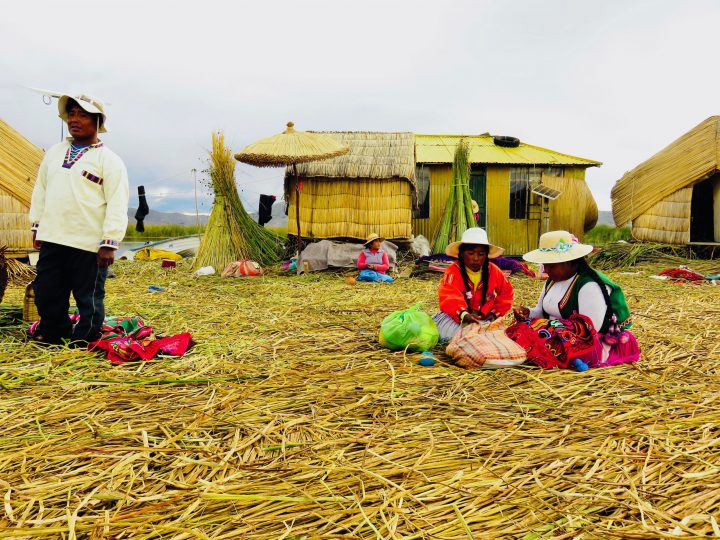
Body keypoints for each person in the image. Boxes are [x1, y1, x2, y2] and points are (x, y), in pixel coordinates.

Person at [28, 94, 129, 345]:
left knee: (89, 296)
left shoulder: (110, 161)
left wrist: (109, 242)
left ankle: (83, 338)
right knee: (47, 291)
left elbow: (117, 202)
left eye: (82, 115)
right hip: (53, 237)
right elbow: (40, 190)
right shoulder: (54, 152)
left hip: (89, 243)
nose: (74, 120)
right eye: (71, 114)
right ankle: (53, 333)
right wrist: (37, 225)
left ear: (97, 121)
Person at [511, 230, 640, 369]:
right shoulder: (552, 281)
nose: (546, 269)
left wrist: (548, 326)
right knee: (522, 328)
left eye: (551, 265)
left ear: (569, 261)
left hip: (592, 342)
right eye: (545, 264)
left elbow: (590, 330)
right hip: (559, 334)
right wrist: (528, 313)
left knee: (536, 333)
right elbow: (542, 312)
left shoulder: (589, 284)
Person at [433, 227, 514, 340]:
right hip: (458, 318)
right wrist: (464, 315)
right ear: (461, 253)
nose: (476, 258)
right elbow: (449, 296)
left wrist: (494, 314)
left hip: (484, 319)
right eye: (470, 253)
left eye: (481, 254)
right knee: (455, 336)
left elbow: (507, 293)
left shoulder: (494, 271)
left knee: (497, 336)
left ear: (486, 255)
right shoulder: (453, 271)